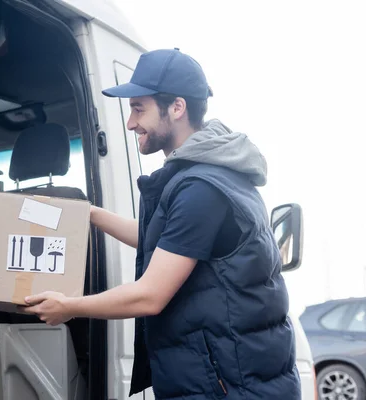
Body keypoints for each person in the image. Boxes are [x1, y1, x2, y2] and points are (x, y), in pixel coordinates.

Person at [21, 48, 301, 399]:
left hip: (229, 388)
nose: (130, 122)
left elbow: (150, 296)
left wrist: (69, 306)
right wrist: (88, 214)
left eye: (139, 108)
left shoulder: (202, 188)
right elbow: (164, 242)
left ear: (177, 108)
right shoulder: (208, 175)